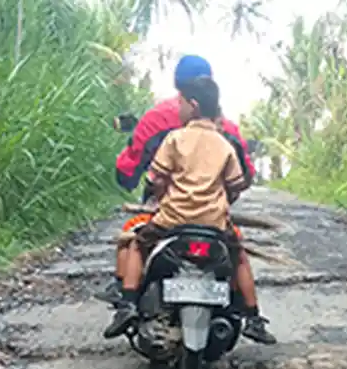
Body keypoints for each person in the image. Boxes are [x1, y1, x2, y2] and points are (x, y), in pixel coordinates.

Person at [104, 55, 275, 345]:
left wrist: (159, 196)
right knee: (239, 255)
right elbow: (240, 180)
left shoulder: (160, 126)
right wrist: (223, 201)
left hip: (170, 218)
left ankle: (127, 303)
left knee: (133, 241)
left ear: (185, 96)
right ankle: (253, 317)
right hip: (214, 222)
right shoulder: (227, 135)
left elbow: (134, 174)